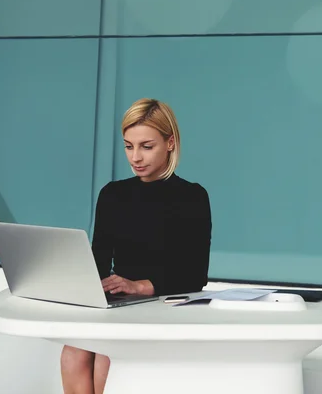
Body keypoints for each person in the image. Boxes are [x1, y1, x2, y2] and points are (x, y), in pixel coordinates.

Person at [60, 98, 212, 394]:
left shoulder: (192, 197)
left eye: (146, 146)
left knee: (105, 358)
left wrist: (142, 286)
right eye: (129, 146)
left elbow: (195, 275)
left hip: (163, 301)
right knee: (73, 353)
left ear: (170, 143)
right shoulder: (113, 194)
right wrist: (78, 283)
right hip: (119, 302)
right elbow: (99, 261)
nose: (135, 157)